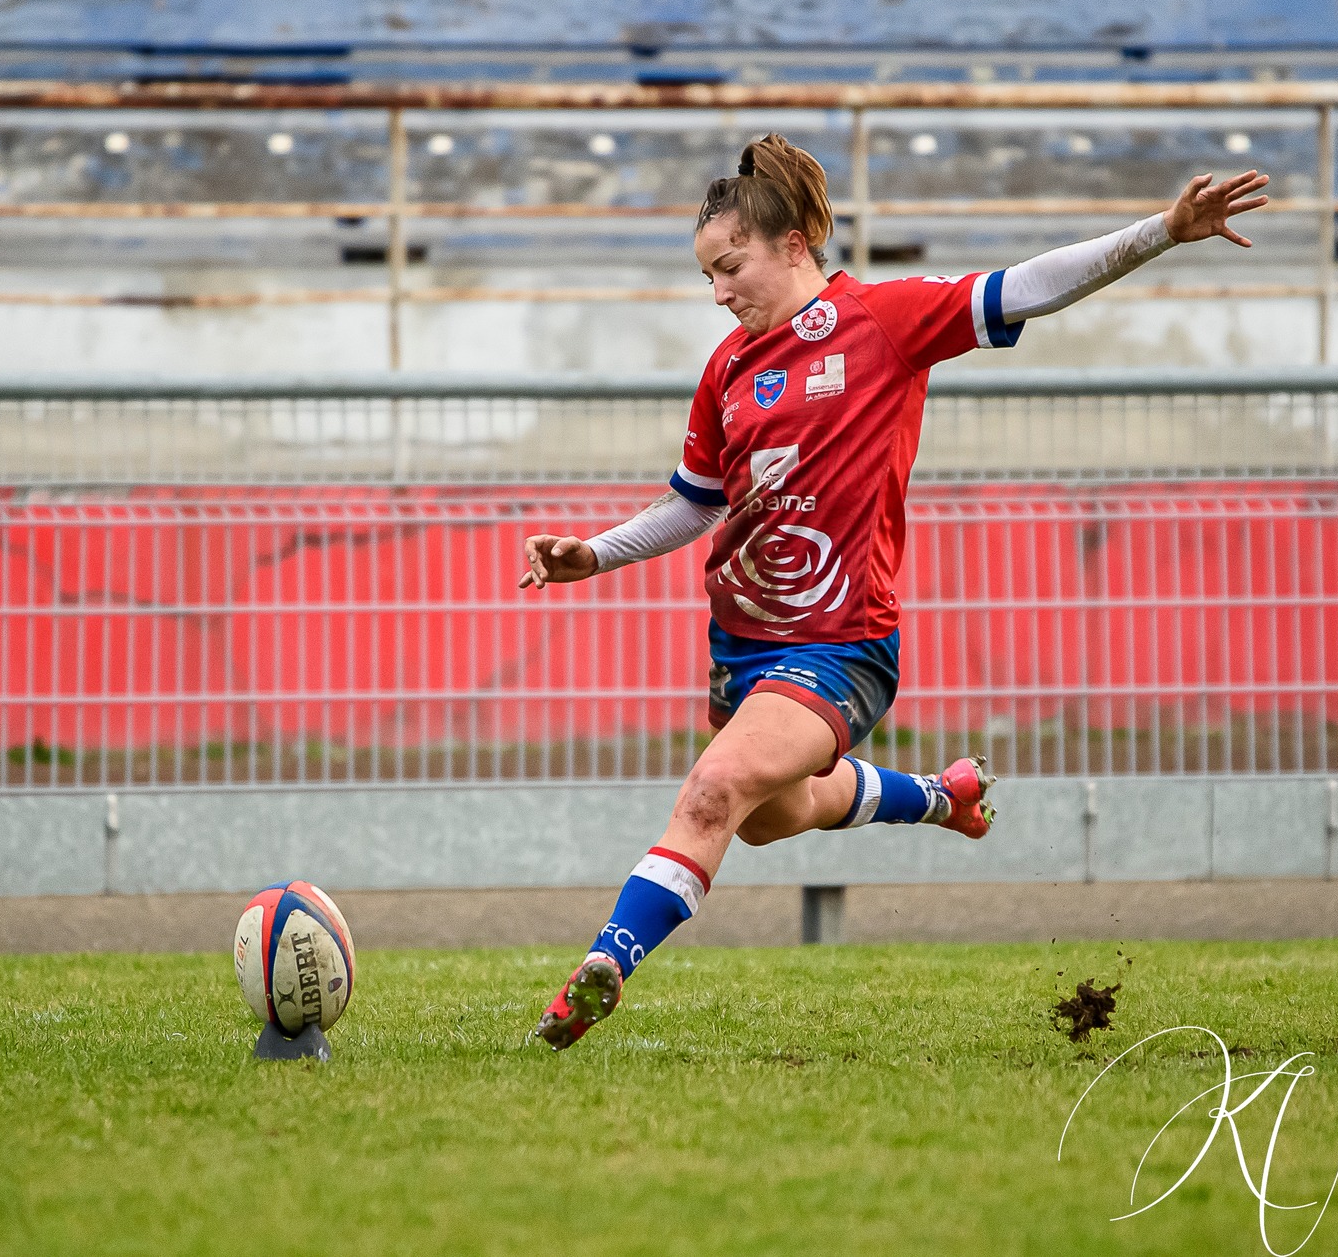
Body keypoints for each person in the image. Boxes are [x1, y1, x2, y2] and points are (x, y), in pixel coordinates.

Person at [519, 133, 1269, 1050]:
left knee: (713, 791)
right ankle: (937, 795)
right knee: (767, 817)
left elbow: (1026, 284)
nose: (719, 293)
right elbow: (694, 505)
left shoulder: (879, 322)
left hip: (842, 644)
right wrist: (591, 555)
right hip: (743, 646)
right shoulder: (724, 371)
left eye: (730, 267)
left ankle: (600, 970)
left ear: (792, 244)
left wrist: (1163, 230)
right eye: (708, 277)